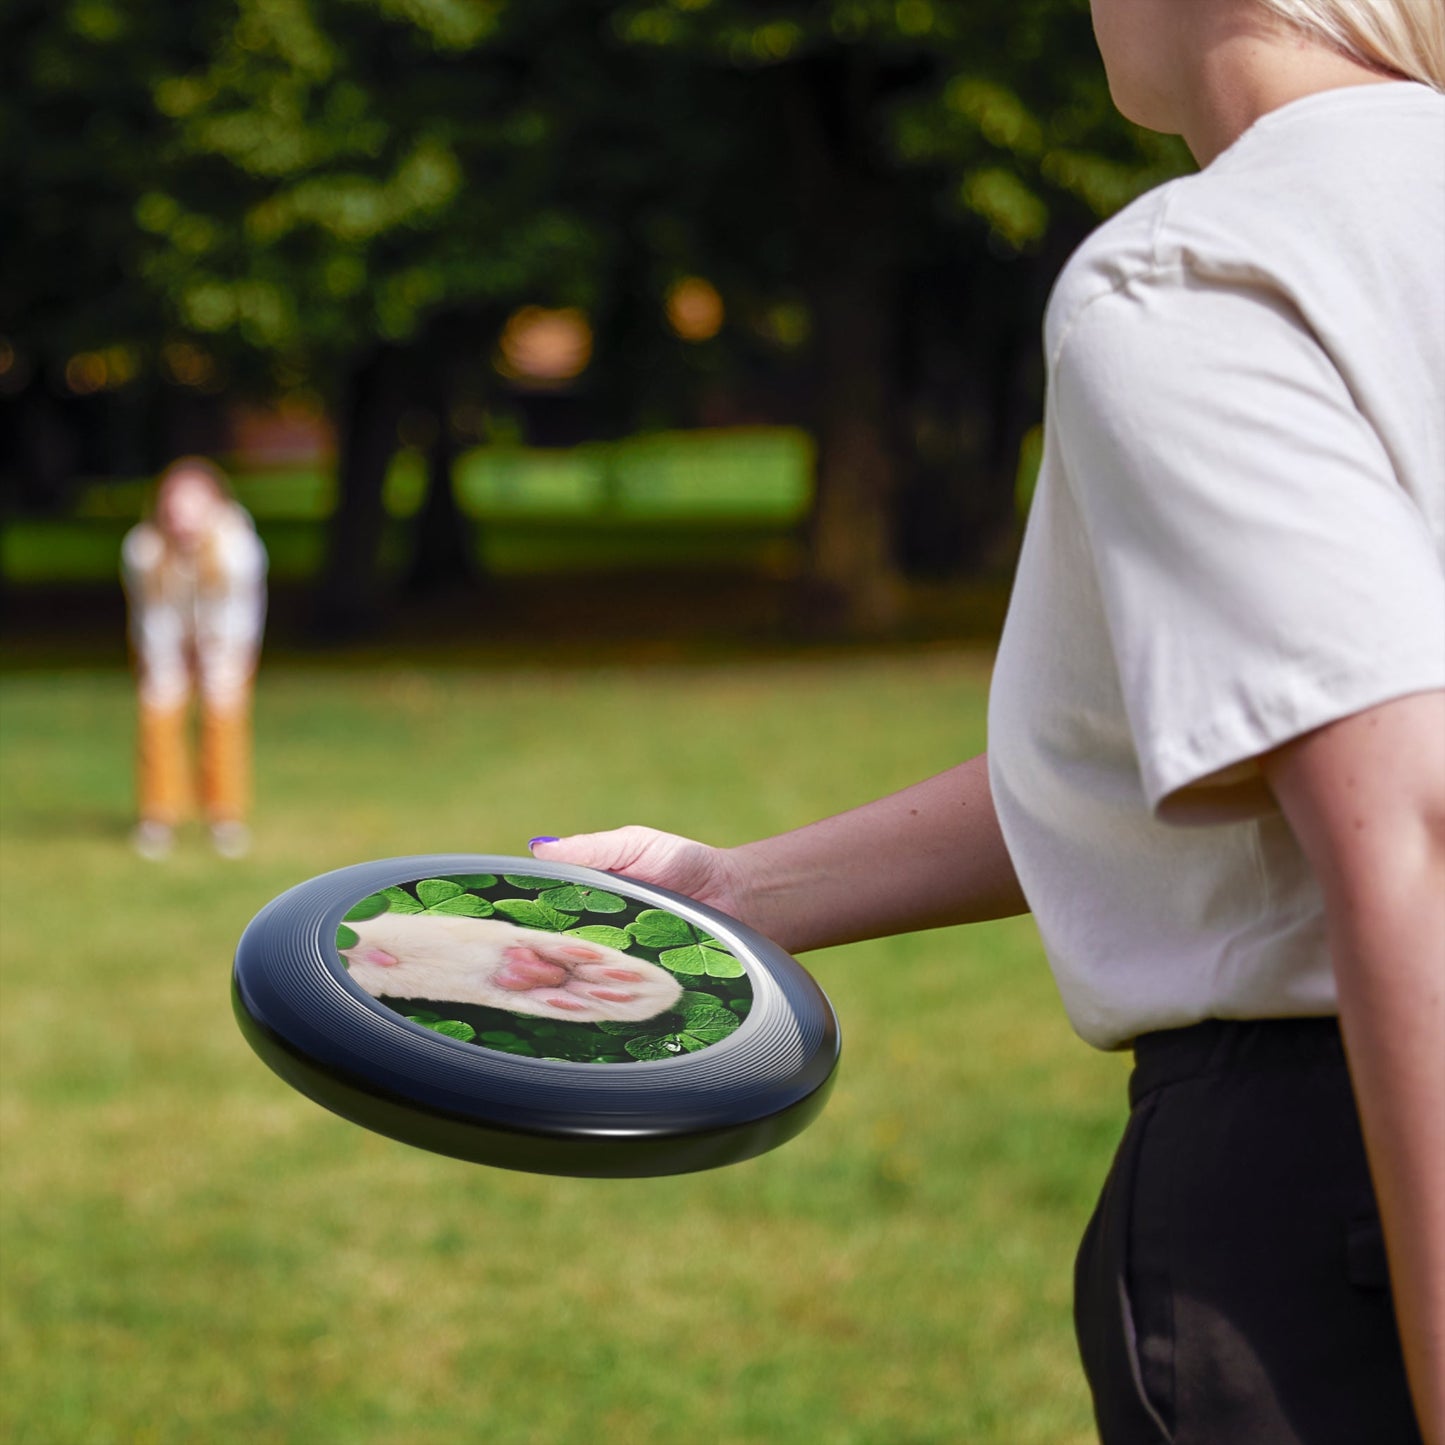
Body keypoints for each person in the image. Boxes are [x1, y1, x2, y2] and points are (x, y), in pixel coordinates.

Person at [528, 2, 1445, 1440]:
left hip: (1342, 1192)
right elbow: (1221, 738)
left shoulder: (1204, 269)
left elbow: (1410, 821)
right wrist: (737, 891)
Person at [121, 457, 268, 860]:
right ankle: (158, 816)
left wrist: (217, 658)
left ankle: (225, 817)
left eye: (193, 505)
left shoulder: (238, 549)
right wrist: (167, 664)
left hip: (226, 641)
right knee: (158, 713)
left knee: (224, 717)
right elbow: (152, 615)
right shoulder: (143, 549)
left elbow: (239, 615)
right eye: (174, 505)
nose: (182, 517)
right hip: (165, 640)